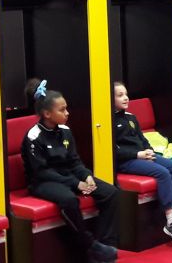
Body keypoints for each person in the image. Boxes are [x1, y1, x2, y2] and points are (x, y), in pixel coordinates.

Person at [21, 79, 119, 263]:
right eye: (62, 110)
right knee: (69, 200)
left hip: (68, 176)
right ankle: (90, 245)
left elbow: (74, 161)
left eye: (66, 108)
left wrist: (86, 176)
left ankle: (105, 245)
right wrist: (76, 183)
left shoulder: (65, 131)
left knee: (110, 192)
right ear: (47, 114)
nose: (67, 113)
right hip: (43, 181)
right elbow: (42, 172)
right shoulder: (33, 137)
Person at [113, 82, 172, 243]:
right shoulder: (108, 122)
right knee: (163, 173)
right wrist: (138, 154)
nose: (126, 98)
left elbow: (142, 139)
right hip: (127, 161)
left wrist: (149, 151)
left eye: (126, 94)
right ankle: (171, 221)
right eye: (120, 95)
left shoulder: (131, 117)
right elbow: (114, 151)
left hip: (145, 156)